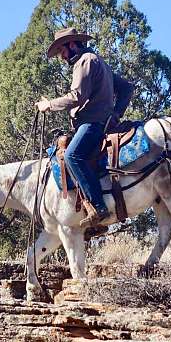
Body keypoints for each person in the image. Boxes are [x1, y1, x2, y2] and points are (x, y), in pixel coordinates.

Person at [35, 27, 134, 228]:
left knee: (72, 156)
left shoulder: (84, 61)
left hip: (93, 123)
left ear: (72, 44)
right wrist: (116, 114)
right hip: (101, 121)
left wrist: (49, 105)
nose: (62, 56)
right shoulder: (99, 62)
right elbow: (127, 88)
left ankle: (98, 207)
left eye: (62, 51)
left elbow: (76, 97)